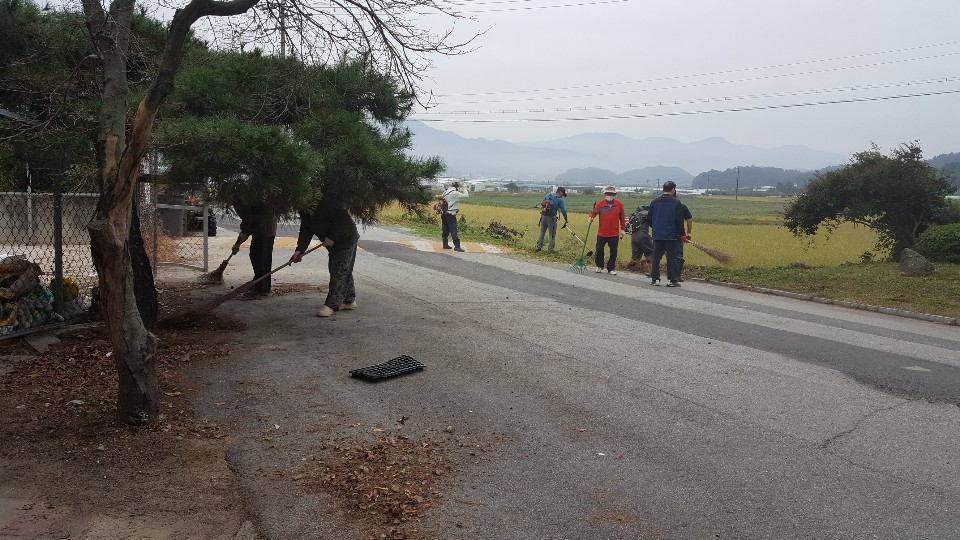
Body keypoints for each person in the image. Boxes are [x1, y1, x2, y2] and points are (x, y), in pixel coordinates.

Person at [289, 199, 361, 317]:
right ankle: (349, 300)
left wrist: (332, 237)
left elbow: (342, 221)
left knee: (339, 271)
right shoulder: (304, 210)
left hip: (346, 239)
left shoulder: (326, 202)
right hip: (331, 243)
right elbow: (306, 229)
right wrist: (300, 250)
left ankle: (332, 305)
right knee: (341, 269)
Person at [233, 202, 278, 297]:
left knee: (261, 258)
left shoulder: (239, 200)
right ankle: (258, 283)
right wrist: (239, 242)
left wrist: (239, 241)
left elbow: (247, 220)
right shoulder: (243, 199)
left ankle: (262, 288)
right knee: (256, 256)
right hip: (260, 226)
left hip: (264, 227)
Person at [648, 181, 686, 287]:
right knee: (671, 258)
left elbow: (649, 219)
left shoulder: (654, 202)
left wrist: (656, 228)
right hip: (671, 235)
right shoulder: (676, 203)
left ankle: (655, 279)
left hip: (657, 235)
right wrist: (682, 234)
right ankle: (671, 280)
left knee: (656, 258)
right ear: (673, 190)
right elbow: (679, 221)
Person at [587, 185, 626, 275]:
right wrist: (590, 218)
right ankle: (599, 266)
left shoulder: (619, 205)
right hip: (602, 232)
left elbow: (622, 218)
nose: (609, 195)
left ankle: (611, 268)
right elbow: (593, 213)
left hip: (614, 233)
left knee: (613, 251)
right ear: (605, 194)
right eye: (608, 193)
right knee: (599, 250)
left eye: (611, 194)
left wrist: (623, 229)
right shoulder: (600, 204)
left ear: (614, 195)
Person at [436, 181, 469, 252]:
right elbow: (466, 196)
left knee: (445, 229)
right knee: (453, 230)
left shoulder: (446, 192)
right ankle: (457, 246)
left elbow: (441, 197)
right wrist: (464, 187)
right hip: (451, 214)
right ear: (456, 187)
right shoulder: (455, 193)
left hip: (444, 213)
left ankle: (445, 244)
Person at [535, 186, 569, 252]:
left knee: (542, 233)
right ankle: (550, 250)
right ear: (560, 192)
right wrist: (566, 219)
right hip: (551, 219)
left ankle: (538, 247)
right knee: (552, 235)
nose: (562, 196)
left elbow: (542, 204)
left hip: (543, 217)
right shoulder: (559, 200)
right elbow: (563, 211)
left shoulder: (548, 195)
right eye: (563, 194)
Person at [625, 204, 653, 274]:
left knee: (636, 254)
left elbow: (627, 227)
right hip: (643, 235)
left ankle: (632, 268)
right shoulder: (645, 213)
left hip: (634, 237)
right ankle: (651, 268)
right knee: (651, 252)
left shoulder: (634, 216)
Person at [674, 195, 693, 281]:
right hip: (679, 234)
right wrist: (689, 233)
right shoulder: (682, 206)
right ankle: (677, 276)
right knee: (678, 255)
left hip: (664, 234)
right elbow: (689, 219)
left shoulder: (664, 206)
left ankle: (654, 274)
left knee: (658, 253)